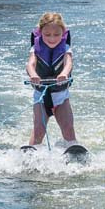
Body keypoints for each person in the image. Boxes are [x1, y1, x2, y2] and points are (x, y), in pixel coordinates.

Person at [26, 12, 77, 147]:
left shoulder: (66, 48)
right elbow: (30, 64)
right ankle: (30, 153)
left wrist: (64, 74)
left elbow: (68, 63)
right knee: (38, 130)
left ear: (63, 33)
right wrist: (33, 75)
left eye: (56, 35)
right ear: (40, 33)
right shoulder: (35, 49)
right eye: (47, 34)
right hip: (41, 96)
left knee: (68, 129)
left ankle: (73, 149)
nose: (52, 38)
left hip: (61, 96)